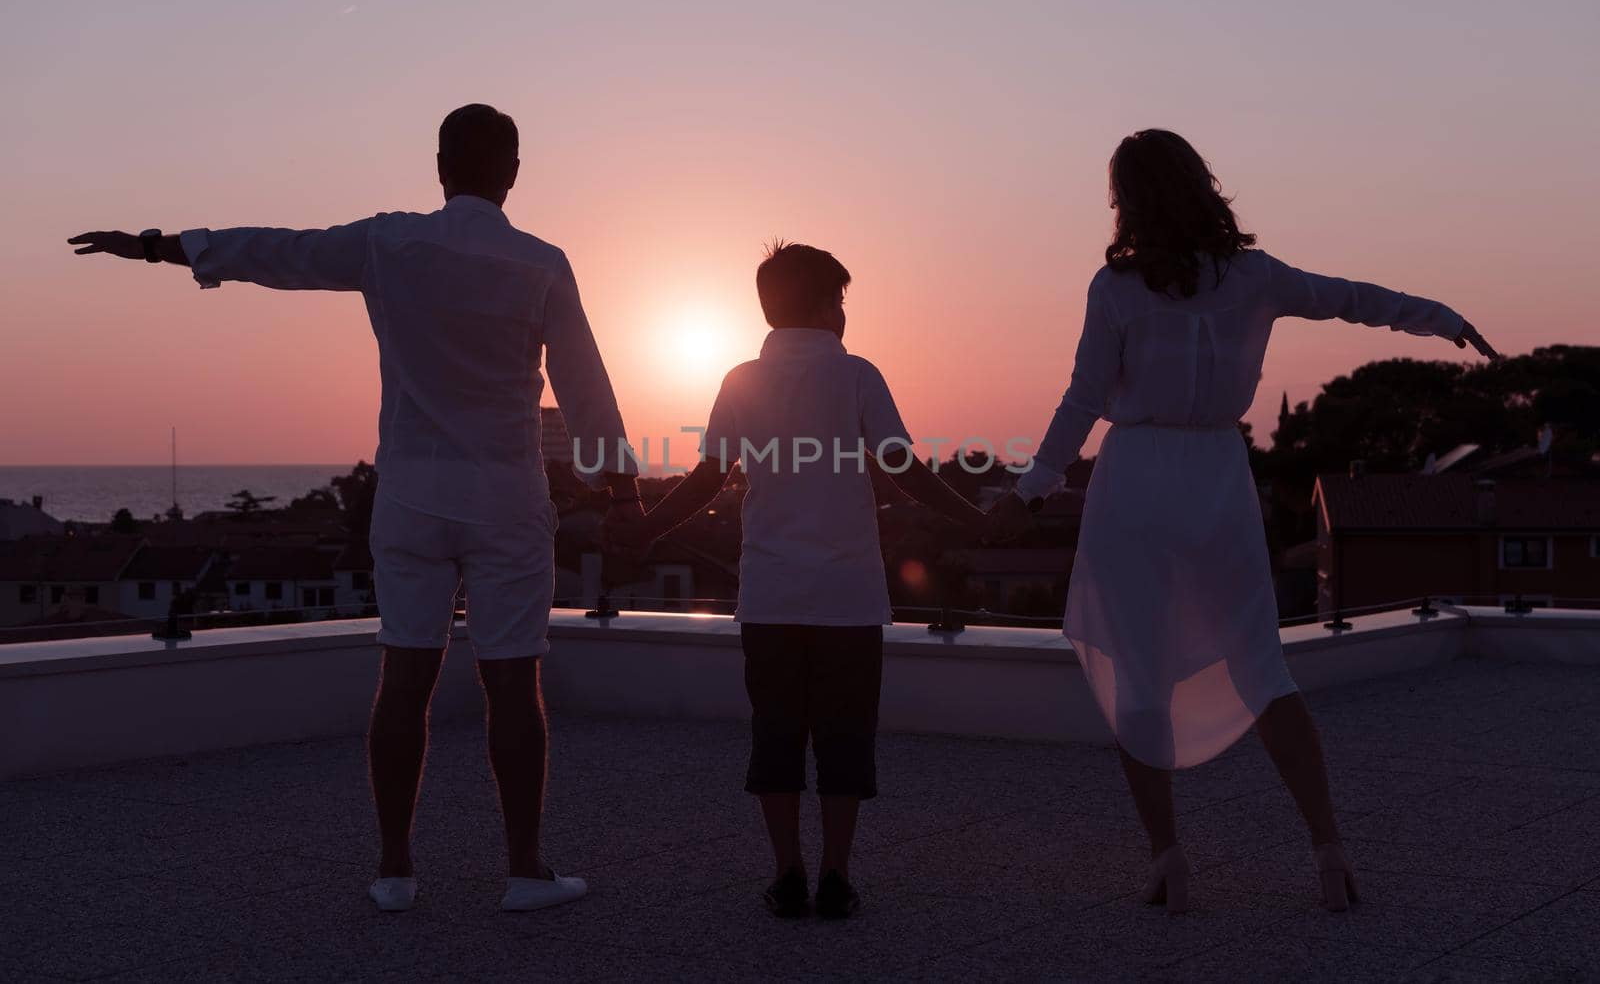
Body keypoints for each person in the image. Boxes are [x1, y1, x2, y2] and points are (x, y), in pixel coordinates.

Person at [67, 104, 642, 914]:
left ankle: (396, 871)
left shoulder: (388, 242)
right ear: (513, 170)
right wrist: (621, 485)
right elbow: (586, 383)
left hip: (409, 497)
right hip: (505, 500)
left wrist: (163, 245)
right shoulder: (540, 262)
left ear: (439, 165)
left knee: (404, 679)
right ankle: (524, 871)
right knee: (513, 687)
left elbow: (278, 251)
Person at [989, 129, 1498, 914]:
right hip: (1219, 478)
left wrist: (1030, 487)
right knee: (1263, 667)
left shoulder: (1116, 286)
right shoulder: (1255, 277)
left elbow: (1082, 398)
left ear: (1125, 198)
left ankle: (1168, 860)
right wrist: (1441, 319)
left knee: (1138, 672)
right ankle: (1328, 850)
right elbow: (1353, 298)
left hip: (1135, 482)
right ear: (1202, 184)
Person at [611, 242, 987, 919]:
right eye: (839, 299)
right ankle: (837, 875)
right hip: (847, 597)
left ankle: (787, 873)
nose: (843, 312)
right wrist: (976, 516)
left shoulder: (740, 380)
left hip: (772, 594)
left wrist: (647, 528)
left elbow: (706, 478)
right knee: (845, 738)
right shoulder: (857, 376)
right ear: (821, 304)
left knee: (776, 734)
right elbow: (904, 466)